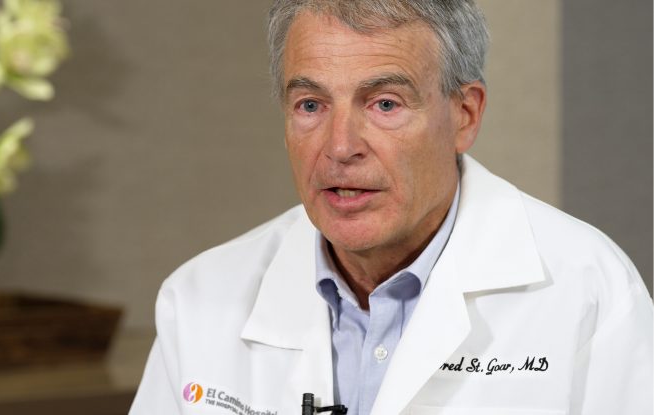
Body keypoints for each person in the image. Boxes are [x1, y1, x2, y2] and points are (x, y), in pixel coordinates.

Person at [130, 1, 653, 414]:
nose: (340, 147)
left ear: (465, 115)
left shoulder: (587, 289)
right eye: (310, 105)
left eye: (385, 104)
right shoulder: (200, 298)